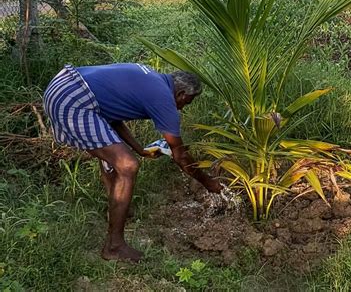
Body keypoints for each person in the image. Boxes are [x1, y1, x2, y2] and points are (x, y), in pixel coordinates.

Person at [43, 63, 223, 262]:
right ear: (181, 94)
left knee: (116, 159)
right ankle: (114, 246)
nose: (181, 108)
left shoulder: (152, 80)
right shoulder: (163, 98)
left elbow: (112, 118)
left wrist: (140, 150)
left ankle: (116, 211)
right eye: (186, 103)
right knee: (127, 165)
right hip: (74, 98)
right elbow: (180, 156)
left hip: (64, 84)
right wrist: (208, 183)